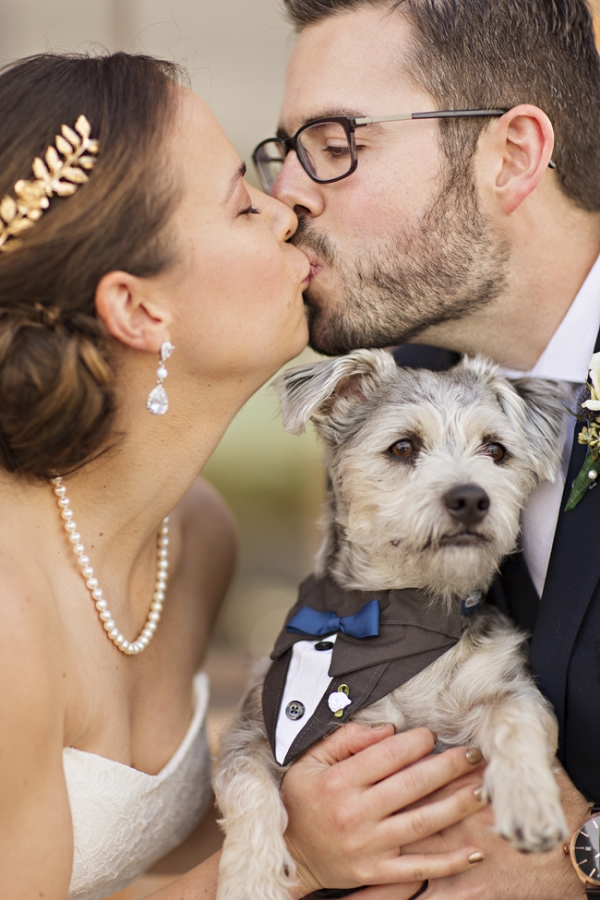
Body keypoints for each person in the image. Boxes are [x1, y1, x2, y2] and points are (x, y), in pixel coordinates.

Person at [0, 50, 492, 900]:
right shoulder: (7, 619)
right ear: (140, 309)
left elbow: (142, 855)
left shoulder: (195, 536)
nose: (287, 210)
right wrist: (290, 857)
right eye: (240, 202)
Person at [249, 0, 600, 897]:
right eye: (283, 151)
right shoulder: (407, 383)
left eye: (335, 141)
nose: (287, 194)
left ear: (513, 156)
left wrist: (585, 853)